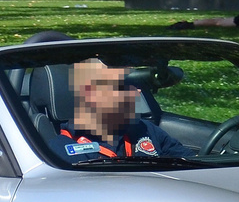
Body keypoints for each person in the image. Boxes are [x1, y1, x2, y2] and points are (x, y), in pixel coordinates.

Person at [49, 58, 195, 161]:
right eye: (123, 86)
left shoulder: (145, 130)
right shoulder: (61, 153)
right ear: (90, 93)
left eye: (136, 84)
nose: (137, 92)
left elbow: (193, 164)